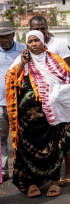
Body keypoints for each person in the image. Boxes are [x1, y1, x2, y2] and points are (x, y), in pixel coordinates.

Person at [5, 30, 70, 197]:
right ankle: (31, 183)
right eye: (30, 41)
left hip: (52, 116)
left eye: (36, 41)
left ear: (42, 41)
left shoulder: (55, 60)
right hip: (27, 121)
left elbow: (69, 81)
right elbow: (10, 81)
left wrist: (53, 97)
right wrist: (22, 64)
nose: (33, 44)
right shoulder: (21, 60)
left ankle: (55, 181)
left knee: (54, 149)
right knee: (27, 151)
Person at [29, 15, 70, 184]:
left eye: (42, 28)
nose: (40, 31)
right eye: (36, 29)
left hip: (60, 99)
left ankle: (68, 171)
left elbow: (66, 72)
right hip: (40, 102)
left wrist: (55, 93)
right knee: (46, 140)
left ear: (47, 27)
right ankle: (49, 174)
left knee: (65, 136)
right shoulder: (31, 45)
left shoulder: (58, 44)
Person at [0, 21, 26, 182]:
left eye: (8, 35)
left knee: (22, 136)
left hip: (20, 101)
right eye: (2, 37)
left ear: (13, 34)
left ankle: (21, 167)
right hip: (0, 103)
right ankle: (3, 170)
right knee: (1, 137)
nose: (5, 39)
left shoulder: (23, 49)